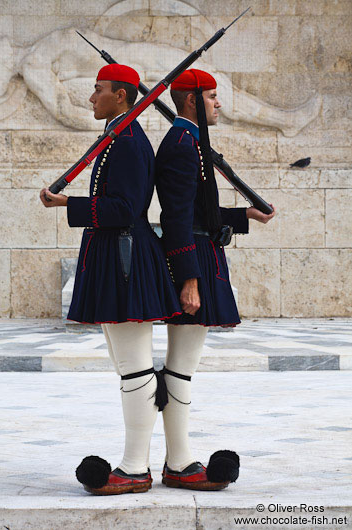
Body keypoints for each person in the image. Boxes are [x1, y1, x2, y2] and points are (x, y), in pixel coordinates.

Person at [40, 63, 184, 495]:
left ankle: (134, 469)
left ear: (121, 95)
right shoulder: (118, 137)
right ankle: (138, 464)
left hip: (126, 257)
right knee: (129, 367)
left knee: (135, 369)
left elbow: (124, 209)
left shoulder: (128, 142)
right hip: (115, 255)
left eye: (98, 90)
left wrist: (69, 203)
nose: (91, 98)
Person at [155, 68, 276, 490]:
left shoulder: (190, 141)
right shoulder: (182, 145)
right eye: (211, 97)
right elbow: (175, 218)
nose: (218, 104)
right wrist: (189, 279)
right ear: (191, 101)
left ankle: (177, 459)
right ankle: (180, 464)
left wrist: (244, 216)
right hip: (192, 261)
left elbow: (200, 213)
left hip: (200, 255)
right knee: (181, 369)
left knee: (182, 368)